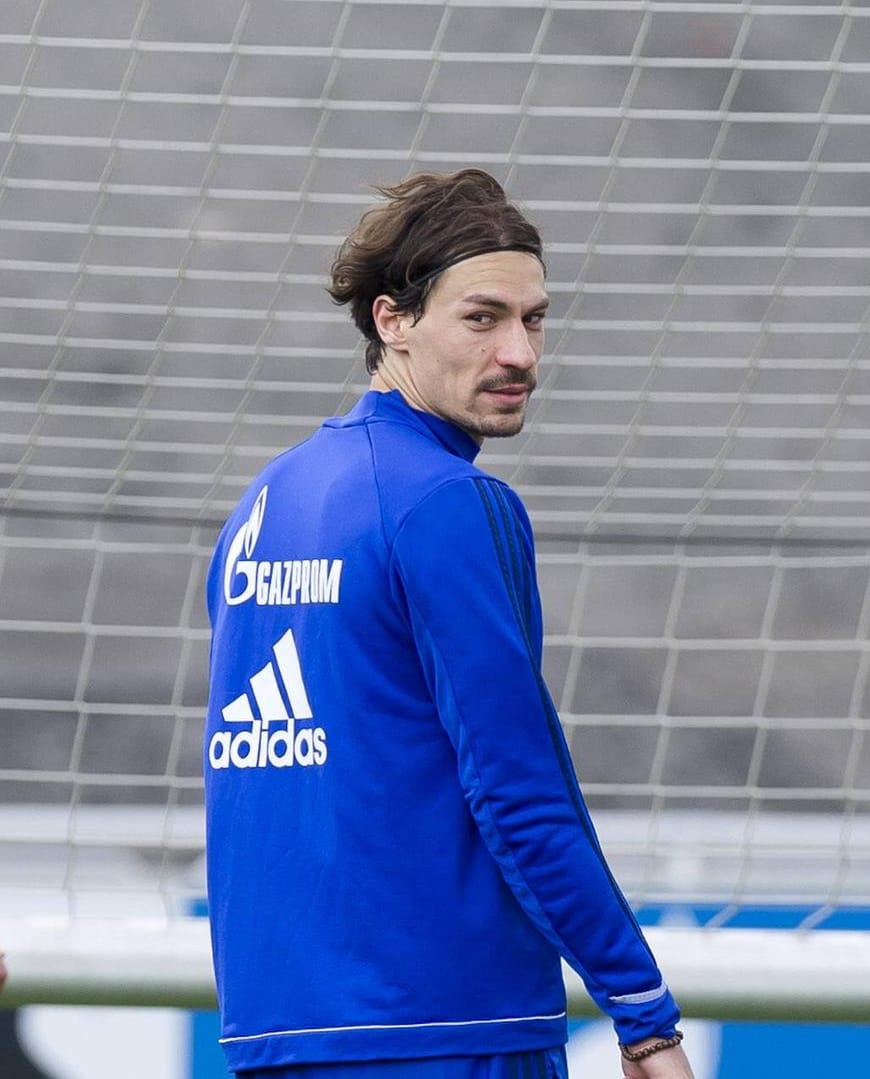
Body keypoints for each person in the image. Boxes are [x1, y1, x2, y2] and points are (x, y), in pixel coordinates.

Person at [202, 169, 693, 1079]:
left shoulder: (264, 503)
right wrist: (640, 1009)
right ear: (393, 320)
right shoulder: (446, 504)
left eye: (534, 319)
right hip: (446, 1028)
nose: (521, 354)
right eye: (483, 317)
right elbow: (517, 787)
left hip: (280, 1033)